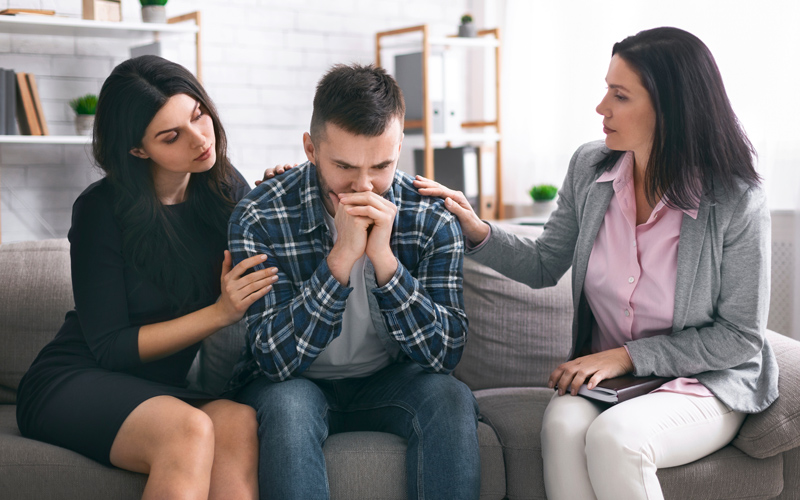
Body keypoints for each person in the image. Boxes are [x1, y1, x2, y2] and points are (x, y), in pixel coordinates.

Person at [414, 27, 777, 500]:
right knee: (561, 429)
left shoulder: (735, 201)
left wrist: (627, 355)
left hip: (702, 382)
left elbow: (741, 336)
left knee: (617, 439)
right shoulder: (590, 169)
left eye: (619, 95)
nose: (601, 106)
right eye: (607, 88)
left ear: (671, 109)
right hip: (609, 382)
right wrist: (477, 230)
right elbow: (544, 263)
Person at [16, 55, 273, 500]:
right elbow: (111, 347)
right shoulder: (100, 210)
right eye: (171, 136)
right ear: (138, 149)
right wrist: (219, 314)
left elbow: (280, 254)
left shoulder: (225, 188)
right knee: (189, 429)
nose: (199, 140)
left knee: (236, 420)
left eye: (198, 115)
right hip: (75, 378)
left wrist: (283, 193)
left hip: (159, 389)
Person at [227, 63, 481, 500]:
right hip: (294, 383)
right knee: (287, 408)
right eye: (343, 166)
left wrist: (385, 262)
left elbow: (443, 354)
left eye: (381, 166)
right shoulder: (261, 215)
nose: (363, 187)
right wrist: (341, 258)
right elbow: (273, 360)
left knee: (450, 397)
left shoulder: (430, 217)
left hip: (388, 379)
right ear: (311, 148)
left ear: (400, 146)